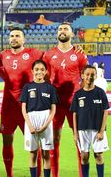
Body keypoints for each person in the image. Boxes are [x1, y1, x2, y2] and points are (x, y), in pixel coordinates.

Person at [0, 28, 44, 177]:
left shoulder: (34, 53)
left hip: (28, 105)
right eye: (11, 36)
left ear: (24, 39)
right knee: (7, 140)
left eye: (17, 36)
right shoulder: (3, 55)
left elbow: (52, 58)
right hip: (9, 106)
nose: (14, 38)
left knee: (34, 144)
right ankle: (10, 174)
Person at [42, 23, 88, 177]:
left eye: (65, 29)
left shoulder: (80, 55)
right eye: (60, 29)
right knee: (54, 138)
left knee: (80, 140)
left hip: (74, 103)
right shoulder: (48, 55)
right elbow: (45, 78)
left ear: (72, 34)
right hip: (56, 103)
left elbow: (86, 79)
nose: (62, 31)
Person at [20, 60, 58, 177]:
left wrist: (46, 125)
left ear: (46, 71)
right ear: (32, 71)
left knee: (46, 154)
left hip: (46, 119)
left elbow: (53, 109)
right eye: (36, 69)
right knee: (33, 153)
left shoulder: (50, 87)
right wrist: (30, 125)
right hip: (31, 119)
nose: (39, 72)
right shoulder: (27, 87)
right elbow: (23, 108)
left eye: (42, 69)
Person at [70, 65, 109, 177]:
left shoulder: (100, 93)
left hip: (97, 130)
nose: (90, 77)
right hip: (82, 130)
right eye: (87, 74)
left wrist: (102, 131)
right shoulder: (78, 94)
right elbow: (74, 114)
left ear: (96, 76)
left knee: (98, 155)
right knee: (84, 156)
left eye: (92, 74)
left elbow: (105, 111)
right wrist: (75, 133)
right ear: (82, 76)